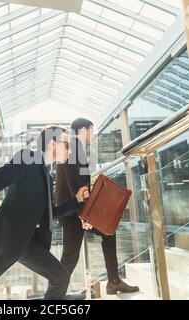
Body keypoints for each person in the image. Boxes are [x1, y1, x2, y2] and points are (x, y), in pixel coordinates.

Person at [0, 126, 90, 300]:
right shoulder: (28, 158)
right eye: (67, 145)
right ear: (53, 143)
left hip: (29, 244)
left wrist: (76, 200)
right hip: (8, 241)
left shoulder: (47, 175)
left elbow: (48, 214)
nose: (70, 150)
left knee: (60, 276)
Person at [54, 118, 139, 295]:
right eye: (92, 131)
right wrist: (83, 214)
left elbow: (77, 184)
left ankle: (113, 281)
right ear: (83, 130)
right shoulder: (74, 148)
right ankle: (54, 294)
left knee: (108, 232)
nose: (92, 135)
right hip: (71, 212)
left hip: (71, 210)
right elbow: (73, 185)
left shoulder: (75, 148)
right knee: (70, 258)